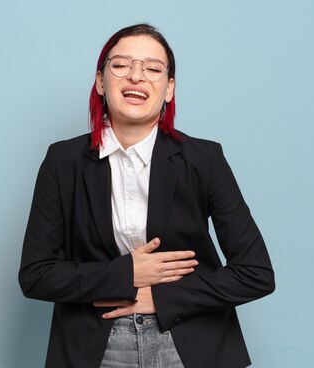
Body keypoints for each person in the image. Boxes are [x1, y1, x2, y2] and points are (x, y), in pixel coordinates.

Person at [19, 23, 275, 368]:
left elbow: (255, 273)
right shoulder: (62, 161)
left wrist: (161, 297)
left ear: (169, 89)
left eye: (153, 69)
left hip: (191, 343)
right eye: (121, 65)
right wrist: (127, 275)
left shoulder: (204, 159)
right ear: (100, 81)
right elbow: (36, 275)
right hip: (94, 348)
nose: (136, 77)